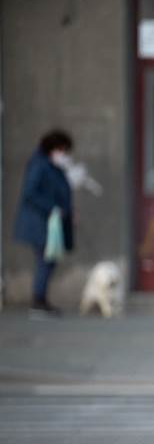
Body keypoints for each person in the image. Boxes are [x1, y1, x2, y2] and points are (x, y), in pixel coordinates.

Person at [14, 130, 75, 317]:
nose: (64, 154)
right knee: (45, 261)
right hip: (40, 224)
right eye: (62, 150)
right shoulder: (39, 165)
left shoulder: (52, 166)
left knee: (49, 261)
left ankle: (41, 300)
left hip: (49, 223)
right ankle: (38, 302)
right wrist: (53, 208)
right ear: (53, 148)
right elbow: (30, 192)